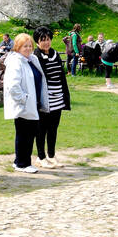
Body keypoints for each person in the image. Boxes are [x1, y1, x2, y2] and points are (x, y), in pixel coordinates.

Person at [3, 32, 48, 174]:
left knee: (30, 133)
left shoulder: (31, 59)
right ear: (17, 47)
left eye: (30, 46)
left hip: (33, 103)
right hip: (24, 104)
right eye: (24, 46)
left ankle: (21, 161)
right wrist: (24, 99)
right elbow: (13, 85)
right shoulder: (16, 61)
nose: (28, 48)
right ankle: (22, 163)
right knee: (24, 134)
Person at [32, 27, 71, 168]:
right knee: (41, 129)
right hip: (44, 99)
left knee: (53, 128)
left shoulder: (55, 54)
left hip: (58, 97)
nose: (46, 42)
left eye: (48, 39)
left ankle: (52, 155)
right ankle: (40, 156)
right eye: (43, 40)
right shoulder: (35, 56)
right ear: (37, 41)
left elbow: (61, 75)